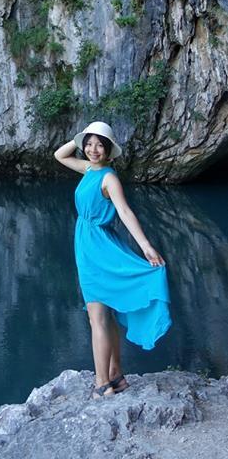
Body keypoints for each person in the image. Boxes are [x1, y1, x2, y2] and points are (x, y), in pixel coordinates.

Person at [54, 120, 171, 399]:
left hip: (98, 248)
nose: (93, 149)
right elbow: (60, 155)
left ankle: (101, 383)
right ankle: (116, 376)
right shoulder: (88, 169)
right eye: (89, 144)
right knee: (105, 316)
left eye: (100, 145)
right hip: (88, 245)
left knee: (98, 317)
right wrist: (82, 133)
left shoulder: (108, 178)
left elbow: (125, 212)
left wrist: (146, 247)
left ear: (108, 150)